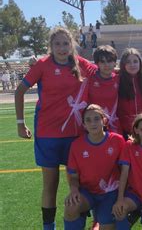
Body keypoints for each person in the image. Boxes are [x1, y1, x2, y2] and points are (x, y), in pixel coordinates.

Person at [15, 27, 96, 230]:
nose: (62, 48)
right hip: (47, 136)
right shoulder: (42, 65)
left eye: (66, 43)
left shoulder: (80, 64)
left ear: (72, 45)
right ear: (50, 46)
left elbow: (105, 71)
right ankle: (48, 227)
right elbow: (20, 91)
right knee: (50, 185)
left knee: (77, 186)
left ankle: (78, 224)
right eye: (57, 44)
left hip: (75, 136)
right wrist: (20, 123)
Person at [63, 104, 125, 229]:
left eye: (97, 119)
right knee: (71, 207)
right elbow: (73, 175)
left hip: (110, 193)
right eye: (88, 120)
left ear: (104, 121)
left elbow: (126, 170)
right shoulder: (77, 145)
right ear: (84, 125)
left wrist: (121, 197)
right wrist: (74, 190)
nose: (93, 123)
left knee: (107, 226)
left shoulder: (117, 140)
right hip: (88, 192)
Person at [117, 48, 142, 138]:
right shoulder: (117, 81)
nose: (132, 65)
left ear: (140, 63)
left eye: (135, 61)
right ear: (123, 65)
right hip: (124, 130)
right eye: (128, 62)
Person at [89, 45, 121, 133]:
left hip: (114, 125)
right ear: (97, 64)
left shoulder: (120, 78)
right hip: (93, 125)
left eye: (110, 61)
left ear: (115, 62)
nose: (106, 65)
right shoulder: (90, 78)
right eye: (102, 62)